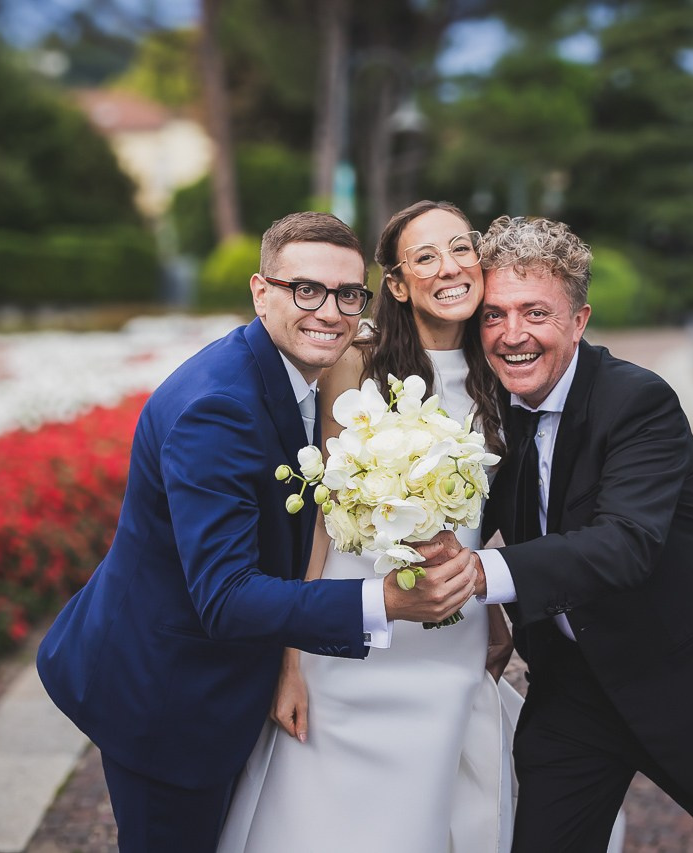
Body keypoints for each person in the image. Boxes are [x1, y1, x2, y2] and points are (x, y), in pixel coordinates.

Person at [37, 211, 478, 852]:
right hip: (167, 692)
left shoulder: (298, 377)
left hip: (217, 668)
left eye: (348, 295)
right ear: (259, 290)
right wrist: (384, 601)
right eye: (306, 289)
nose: (329, 312)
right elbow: (226, 597)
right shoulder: (218, 408)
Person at [447, 215, 693, 852]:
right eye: (493, 315)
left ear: (580, 320)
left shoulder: (639, 401)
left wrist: (482, 579)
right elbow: (459, 518)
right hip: (573, 689)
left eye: (535, 312)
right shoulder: (491, 412)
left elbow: (626, 543)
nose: (512, 335)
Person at [218, 200, 527, 853]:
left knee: (427, 812)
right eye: (425, 256)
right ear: (395, 283)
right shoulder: (357, 362)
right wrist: (291, 659)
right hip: (357, 628)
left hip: (449, 635)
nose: (450, 267)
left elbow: (493, 519)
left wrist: (496, 604)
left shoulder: (500, 370)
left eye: (461, 247)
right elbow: (323, 521)